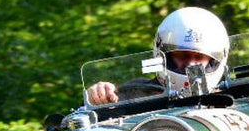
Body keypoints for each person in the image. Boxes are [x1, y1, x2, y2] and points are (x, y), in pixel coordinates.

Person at [86, 7, 230, 105]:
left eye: (199, 57)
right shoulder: (136, 94)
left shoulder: (231, 98)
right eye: (182, 55)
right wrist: (98, 97)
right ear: (163, 55)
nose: (191, 64)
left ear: (214, 61)